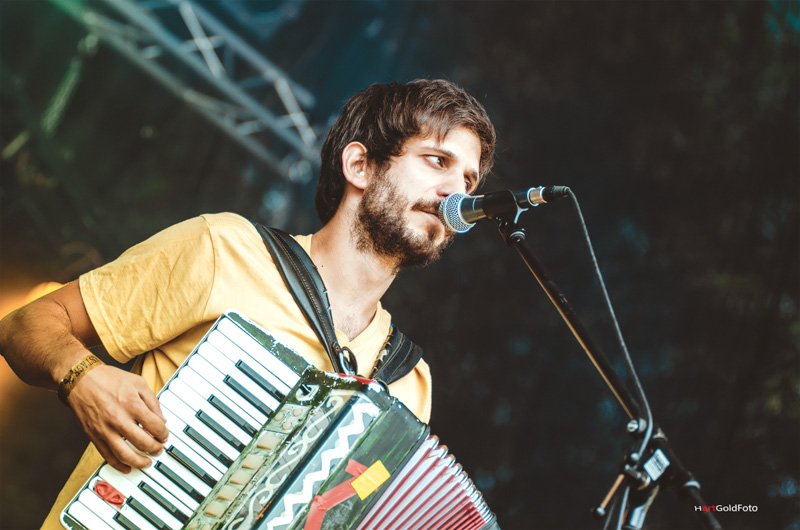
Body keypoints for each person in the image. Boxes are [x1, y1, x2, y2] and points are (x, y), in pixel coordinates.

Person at [0, 78, 496, 527]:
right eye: (438, 161)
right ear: (360, 166)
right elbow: (24, 324)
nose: (456, 192)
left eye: (469, 181)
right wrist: (82, 376)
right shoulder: (224, 249)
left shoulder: (409, 383)